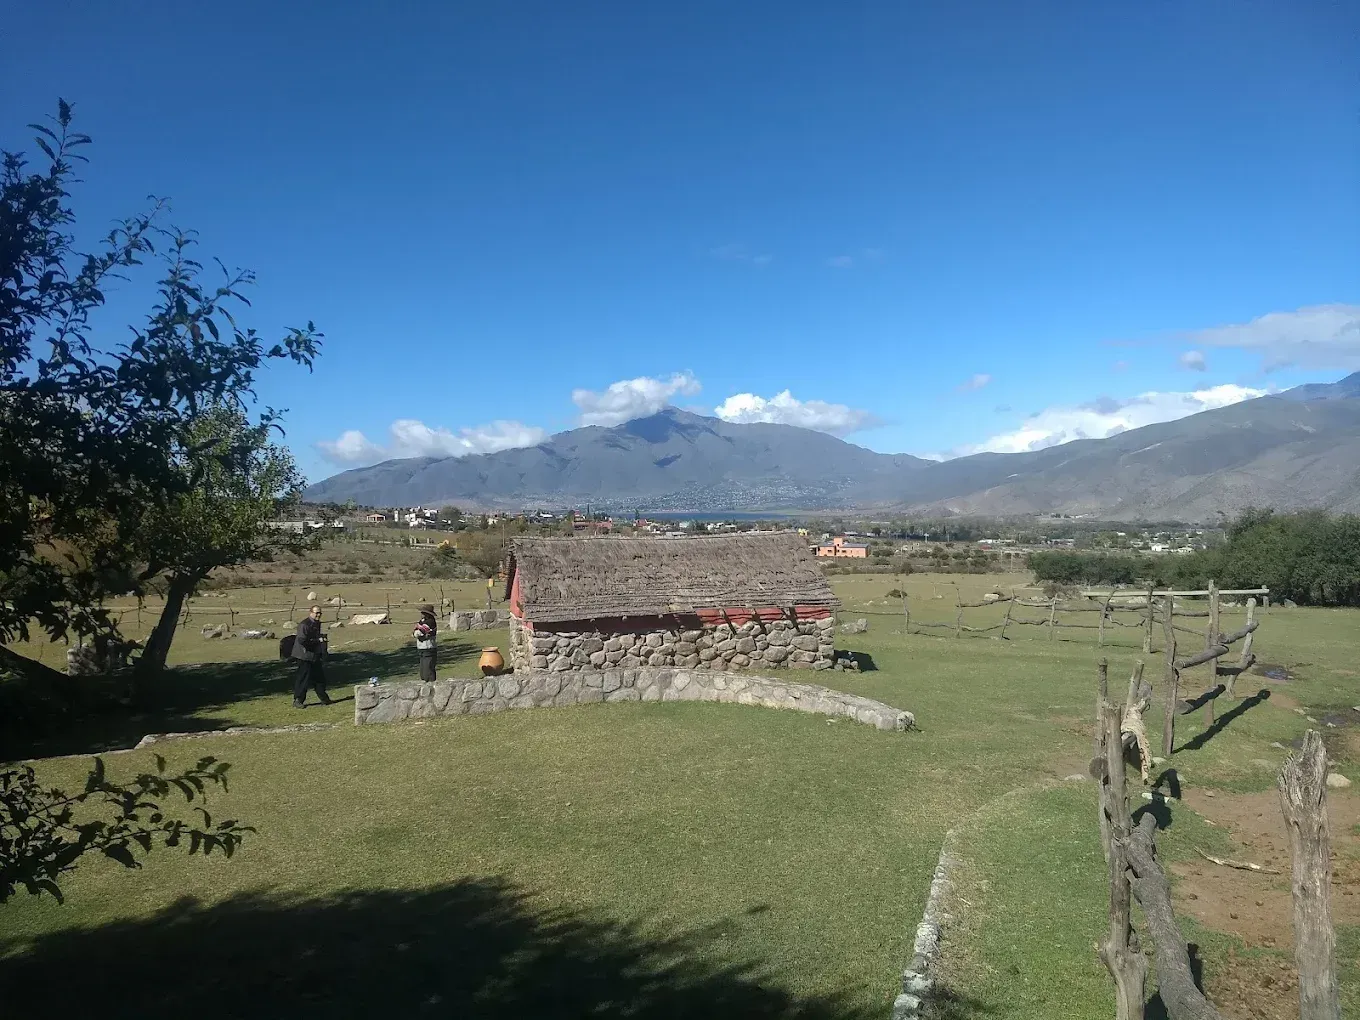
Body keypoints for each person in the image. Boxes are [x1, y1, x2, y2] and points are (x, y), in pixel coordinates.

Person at [291, 604, 332, 707]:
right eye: (316, 613)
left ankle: (324, 699)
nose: (318, 615)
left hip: (314, 655)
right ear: (311, 612)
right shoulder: (304, 625)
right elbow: (302, 640)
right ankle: (298, 700)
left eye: (320, 613)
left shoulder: (317, 623)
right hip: (304, 656)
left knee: (319, 678)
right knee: (303, 679)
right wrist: (318, 640)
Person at [414, 603, 438, 682]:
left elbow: (420, 632)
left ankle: (430, 683)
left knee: (428, 668)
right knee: (423, 668)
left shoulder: (430, 622)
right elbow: (415, 630)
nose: (421, 614)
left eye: (423, 613)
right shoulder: (422, 621)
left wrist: (417, 632)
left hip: (429, 648)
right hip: (422, 647)